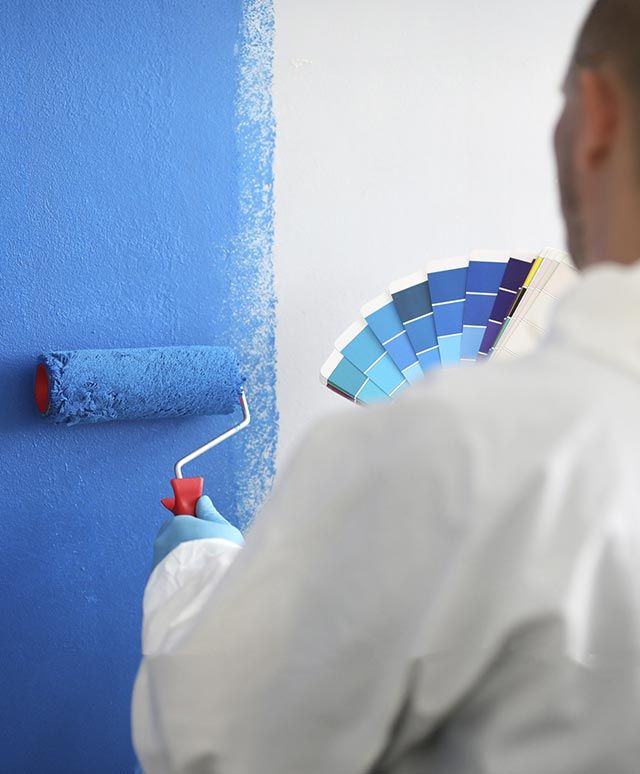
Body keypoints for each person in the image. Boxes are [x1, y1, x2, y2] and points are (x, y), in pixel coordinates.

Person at [132, 1, 640, 771]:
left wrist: (197, 568)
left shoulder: (461, 453)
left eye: (561, 103)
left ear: (598, 115)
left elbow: (213, 742)